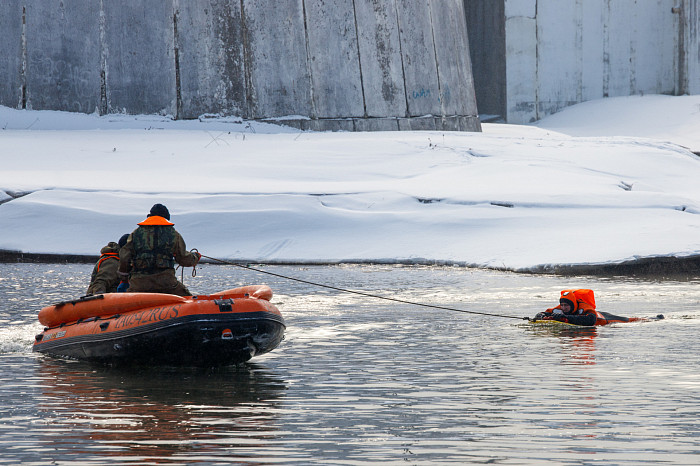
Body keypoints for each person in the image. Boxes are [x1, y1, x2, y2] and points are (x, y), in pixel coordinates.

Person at [117, 204, 201, 296]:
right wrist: (195, 257)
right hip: (166, 283)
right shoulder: (173, 234)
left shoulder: (136, 233)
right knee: (188, 299)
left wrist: (124, 278)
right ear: (166, 218)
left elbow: (124, 257)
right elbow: (183, 258)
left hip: (139, 284)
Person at [533, 289, 648, 326]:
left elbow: (590, 321)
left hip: (605, 319)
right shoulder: (560, 309)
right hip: (593, 315)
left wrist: (563, 318)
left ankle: (653, 318)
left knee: (627, 320)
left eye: (566, 305)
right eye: (562, 305)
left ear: (572, 304)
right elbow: (542, 313)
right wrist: (542, 316)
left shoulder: (584, 308)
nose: (563, 308)